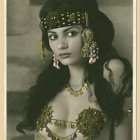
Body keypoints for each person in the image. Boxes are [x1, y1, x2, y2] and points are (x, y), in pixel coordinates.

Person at [16, 0, 133, 139]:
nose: (60, 45)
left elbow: (123, 129)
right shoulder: (48, 86)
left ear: (90, 34)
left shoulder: (112, 72)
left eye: (71, 34)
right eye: (53, 36)